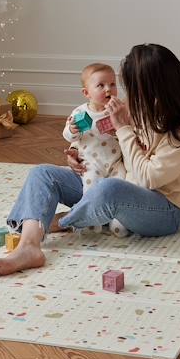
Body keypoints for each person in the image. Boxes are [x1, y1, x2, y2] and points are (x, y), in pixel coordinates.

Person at [0, 44, 180, 277]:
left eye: (133, 86)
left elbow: (148, 179)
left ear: (152, 86)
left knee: (110, 189)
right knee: (43, 173)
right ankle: (29, 247)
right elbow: (102, 141)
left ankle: (62, 221)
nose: (128, 93)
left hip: (163, 209)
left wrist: (124, 128)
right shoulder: (141, 107)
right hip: (115, 184)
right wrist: (76, 153)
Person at [62, 62, 127, 236]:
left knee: (121, 187)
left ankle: (119, 220)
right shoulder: (79, 113)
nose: (108, 89)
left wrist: (120, 126)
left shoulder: (118, 109)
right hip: (91, 162)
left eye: (112, 84)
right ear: (86, 93)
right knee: (90, 189)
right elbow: (69, 137)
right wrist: (71, 130)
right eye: (101, 85)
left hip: (115, 162)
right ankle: (91, 220)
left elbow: (128, 133)